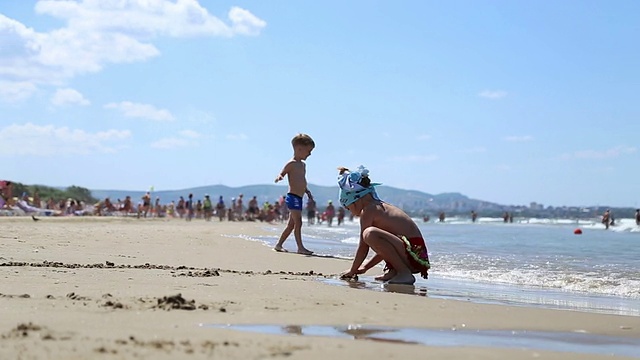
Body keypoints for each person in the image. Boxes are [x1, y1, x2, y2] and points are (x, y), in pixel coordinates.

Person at [338, 166, 430, 285]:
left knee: (369, 233)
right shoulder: (378, 207)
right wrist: (365, 267)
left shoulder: (368, 210)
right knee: (372, 234)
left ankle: (404, 273)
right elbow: (386, 247)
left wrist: (353, 270)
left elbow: (363, 246)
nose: (349, 211)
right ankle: (395, 270)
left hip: (413, 254)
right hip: (416, 255)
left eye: (348, 207)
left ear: (355, 200)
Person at [273, 133, 315, 255]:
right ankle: (300, 248)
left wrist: (306, 190)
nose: (310, 154)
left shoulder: (303, 165)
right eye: (308, 151)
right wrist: (279, 177)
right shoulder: (291, 163)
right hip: (292, 197)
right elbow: (283, 172)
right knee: (298, 222)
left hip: (299, 197)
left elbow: (302, 180)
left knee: (291, 225)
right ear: (299, 149)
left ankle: (279, 245)